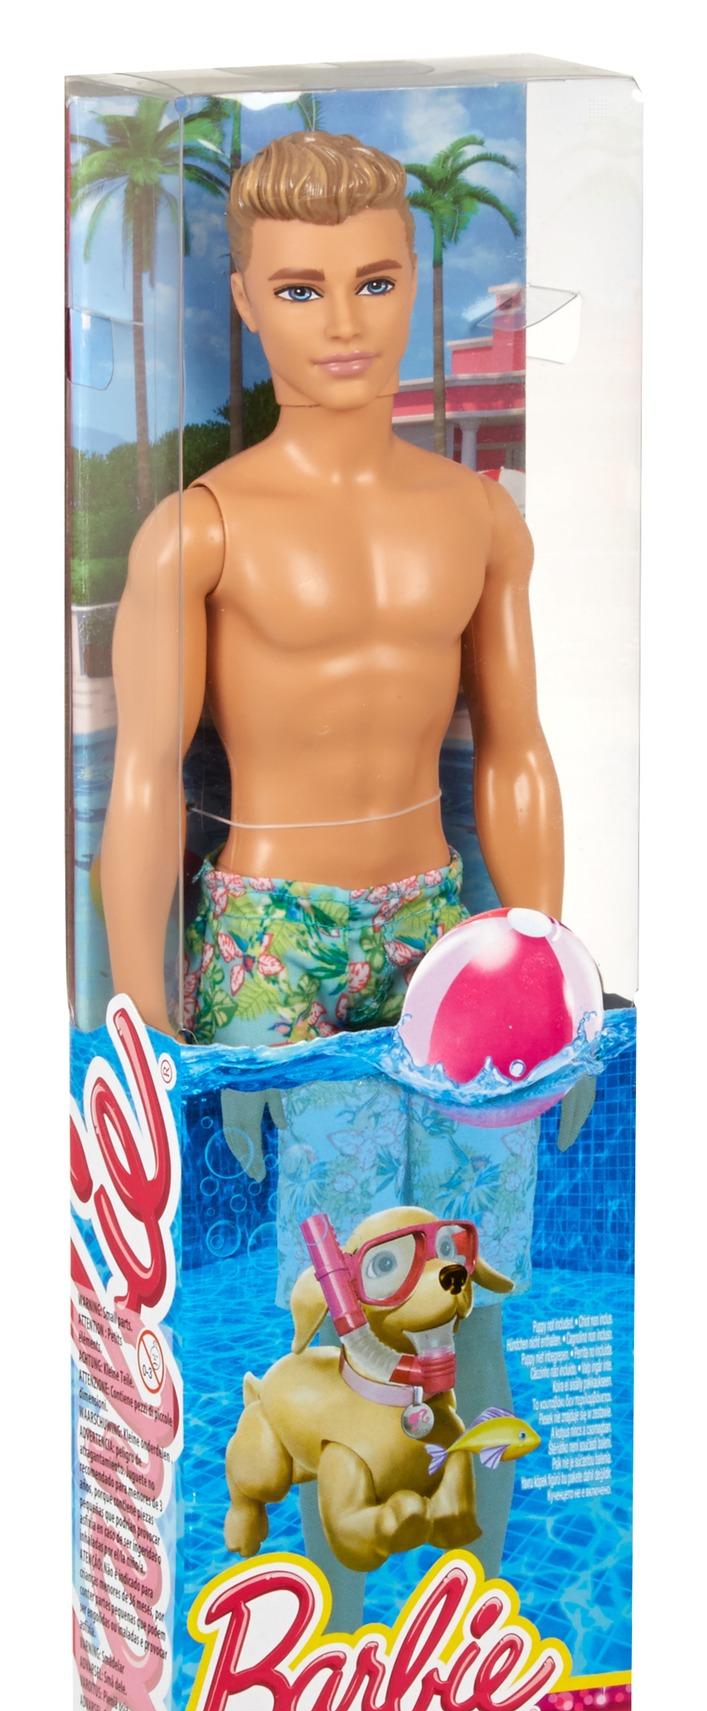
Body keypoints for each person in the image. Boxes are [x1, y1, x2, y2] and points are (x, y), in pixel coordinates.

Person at [101, 131, 585, 1618]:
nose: (345, 323)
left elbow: (517, 751)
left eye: (375, 281)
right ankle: (326, 1620)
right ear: (245, 300)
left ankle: (487, 1618)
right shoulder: (201, 527)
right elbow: (142, 782)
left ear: (414, 279)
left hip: (447, 933)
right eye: (302, 289)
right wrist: (140, 1027)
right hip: (274, 941)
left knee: (479, 1276)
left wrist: (550, 964)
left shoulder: (477, 517)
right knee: (335, 1301)